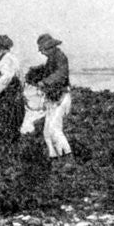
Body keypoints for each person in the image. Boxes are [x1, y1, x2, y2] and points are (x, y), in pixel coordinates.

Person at [27, 33, 72, 161]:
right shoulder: (52, 58)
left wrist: (45, 82)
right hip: (53, 97)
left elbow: (60, 74)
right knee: (47, 131)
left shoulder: (60, 57)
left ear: (50, 47)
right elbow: (49, 71)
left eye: (43, 50)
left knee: (54, 129)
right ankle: (54, 157)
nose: (42, 52)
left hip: (61, 97)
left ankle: (68, 157)